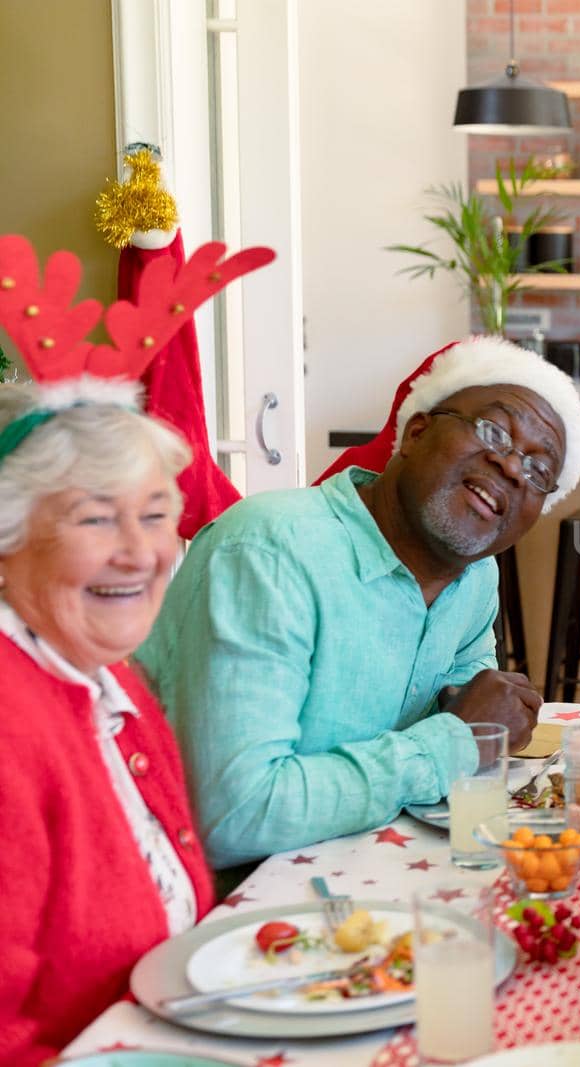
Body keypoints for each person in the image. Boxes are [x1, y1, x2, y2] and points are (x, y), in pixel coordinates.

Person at [138, 336, 580, 868]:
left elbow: (472, 717)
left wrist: (484, 719)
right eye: (494, 430)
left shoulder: (475, 578)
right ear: (416, 432)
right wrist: (453, 740)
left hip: (377, 874)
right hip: (225, 911)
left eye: (540, 471)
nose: (514, 468)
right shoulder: (268, 551)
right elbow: (233, 815)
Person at [0, 232, 256, 1061]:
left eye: (154, 514)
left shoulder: (115, 684)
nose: (140, 552)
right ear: (9, 537)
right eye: (94, 517)